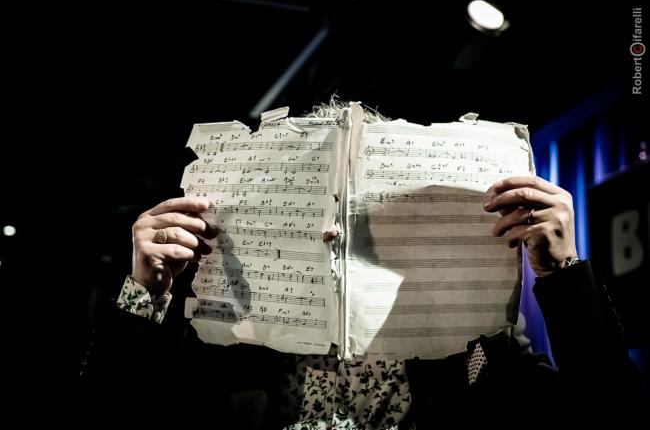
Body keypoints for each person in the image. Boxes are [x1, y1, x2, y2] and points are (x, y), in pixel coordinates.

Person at [81, 108, 640, 428]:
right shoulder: (226, 350)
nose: (334, 231)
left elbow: (612, 414)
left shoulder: (475, 353)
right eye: (310, 206)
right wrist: (144, 291)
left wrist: (562, 272)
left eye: (359, 211)